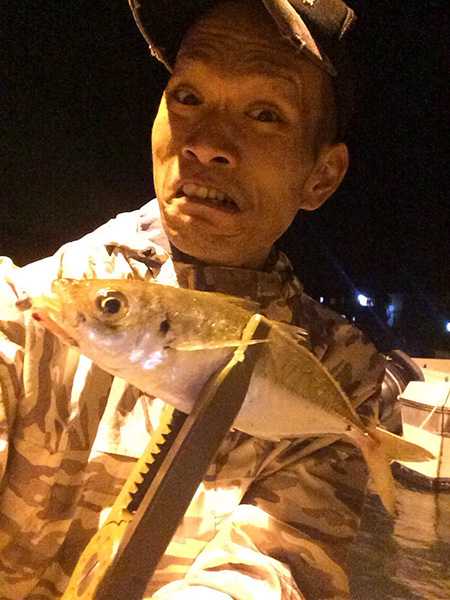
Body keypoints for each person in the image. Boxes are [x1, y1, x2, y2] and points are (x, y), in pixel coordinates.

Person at [0, 0, 385, 598]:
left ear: (322, 176)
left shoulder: (341, 374)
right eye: (188, 97)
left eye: (264, 113)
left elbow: (269, 573)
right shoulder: (31, 305)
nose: (206, 144)